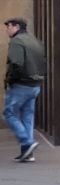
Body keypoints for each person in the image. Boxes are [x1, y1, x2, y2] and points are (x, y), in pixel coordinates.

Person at [3, 18, 46, 163]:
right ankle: (27, 153)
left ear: (16, 26)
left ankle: (27, 142)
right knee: (27, 117)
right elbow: (43, 62)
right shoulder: (35, 40)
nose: (7, 29)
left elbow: (16, 64)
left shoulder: (17, 41)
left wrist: (10, 80)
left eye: (8, 26)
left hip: (20, 85)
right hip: (34, 85)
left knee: (9, 113)